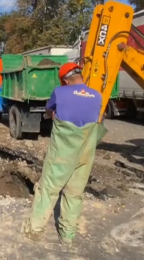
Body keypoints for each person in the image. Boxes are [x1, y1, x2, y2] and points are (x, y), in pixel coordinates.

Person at [21, 63, 107, 247]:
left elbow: (49, 110)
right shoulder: (98, 96)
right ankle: (67, 235)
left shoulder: (60, 92)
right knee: (74, 194)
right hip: (85, 154)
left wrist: (50, 115)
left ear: (65, 80)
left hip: (62, 154)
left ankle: (34, 230)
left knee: (48, 190)